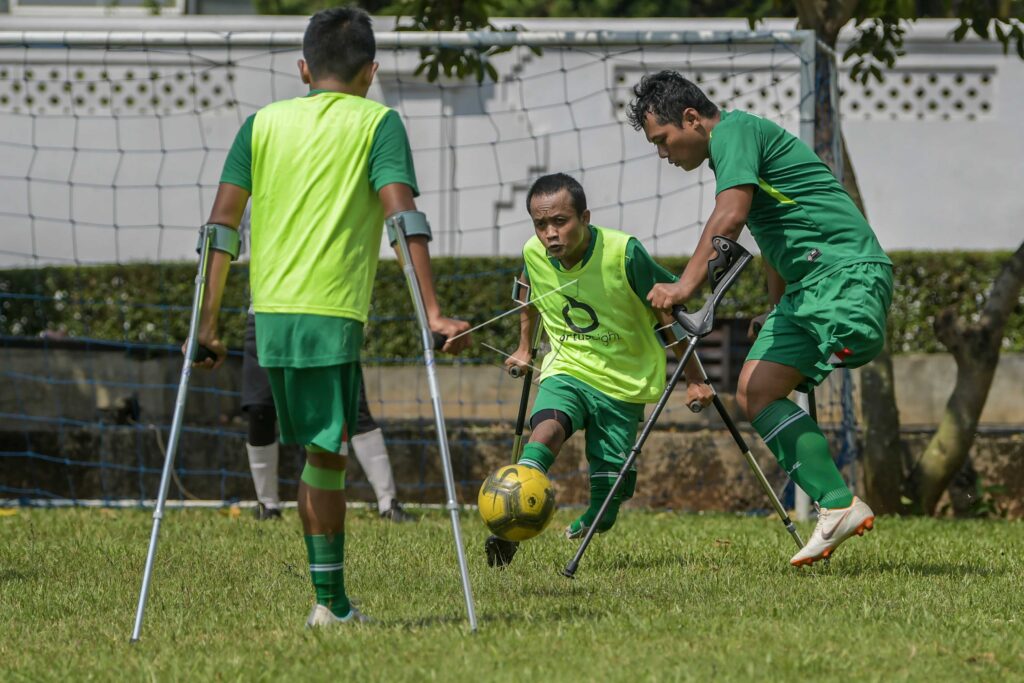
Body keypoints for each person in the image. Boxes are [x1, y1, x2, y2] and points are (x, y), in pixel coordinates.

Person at [190, 7, 470, 627]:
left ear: (302, 69)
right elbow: (403, 219)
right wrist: (432, 312)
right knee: (325, 458)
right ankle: (331, 606)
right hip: (330, 314)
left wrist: (206, 324)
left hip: (268, 316)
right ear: (372, 71)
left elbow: (221, 227)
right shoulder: (380, 123)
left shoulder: (260, 123)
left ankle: (329, 601)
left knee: (319, 454)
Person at [629, 71, 893, 567]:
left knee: (840, 352)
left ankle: (837, 494)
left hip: (843, 276)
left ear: (691, 118)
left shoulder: (734, 133)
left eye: (663, 140)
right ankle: (838, 505)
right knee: (754, 391)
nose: (663, 154)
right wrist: (774, 305)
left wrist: (684, 286)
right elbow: (772, 238)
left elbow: (729, 217)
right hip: (809, 288)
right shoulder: (735, 149)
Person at [487, 172, 712, 568]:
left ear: (585, 217)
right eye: (541, 225)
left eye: (561, 221)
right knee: (548, 428)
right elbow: (528, 294)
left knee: (608, 490)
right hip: (567, 367)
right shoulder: (533, 253)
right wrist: (525, 348)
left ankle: (605, 505)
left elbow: (667, 313)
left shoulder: (623, 252)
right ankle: (512, 516)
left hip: (623, 379)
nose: (550, 234)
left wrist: (695, 379)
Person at [241, 311, 415, 523]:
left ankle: (388, 502)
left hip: (326, 315)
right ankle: (267, 505)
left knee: (354, 407)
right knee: (259, 409)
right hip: (269, 316)